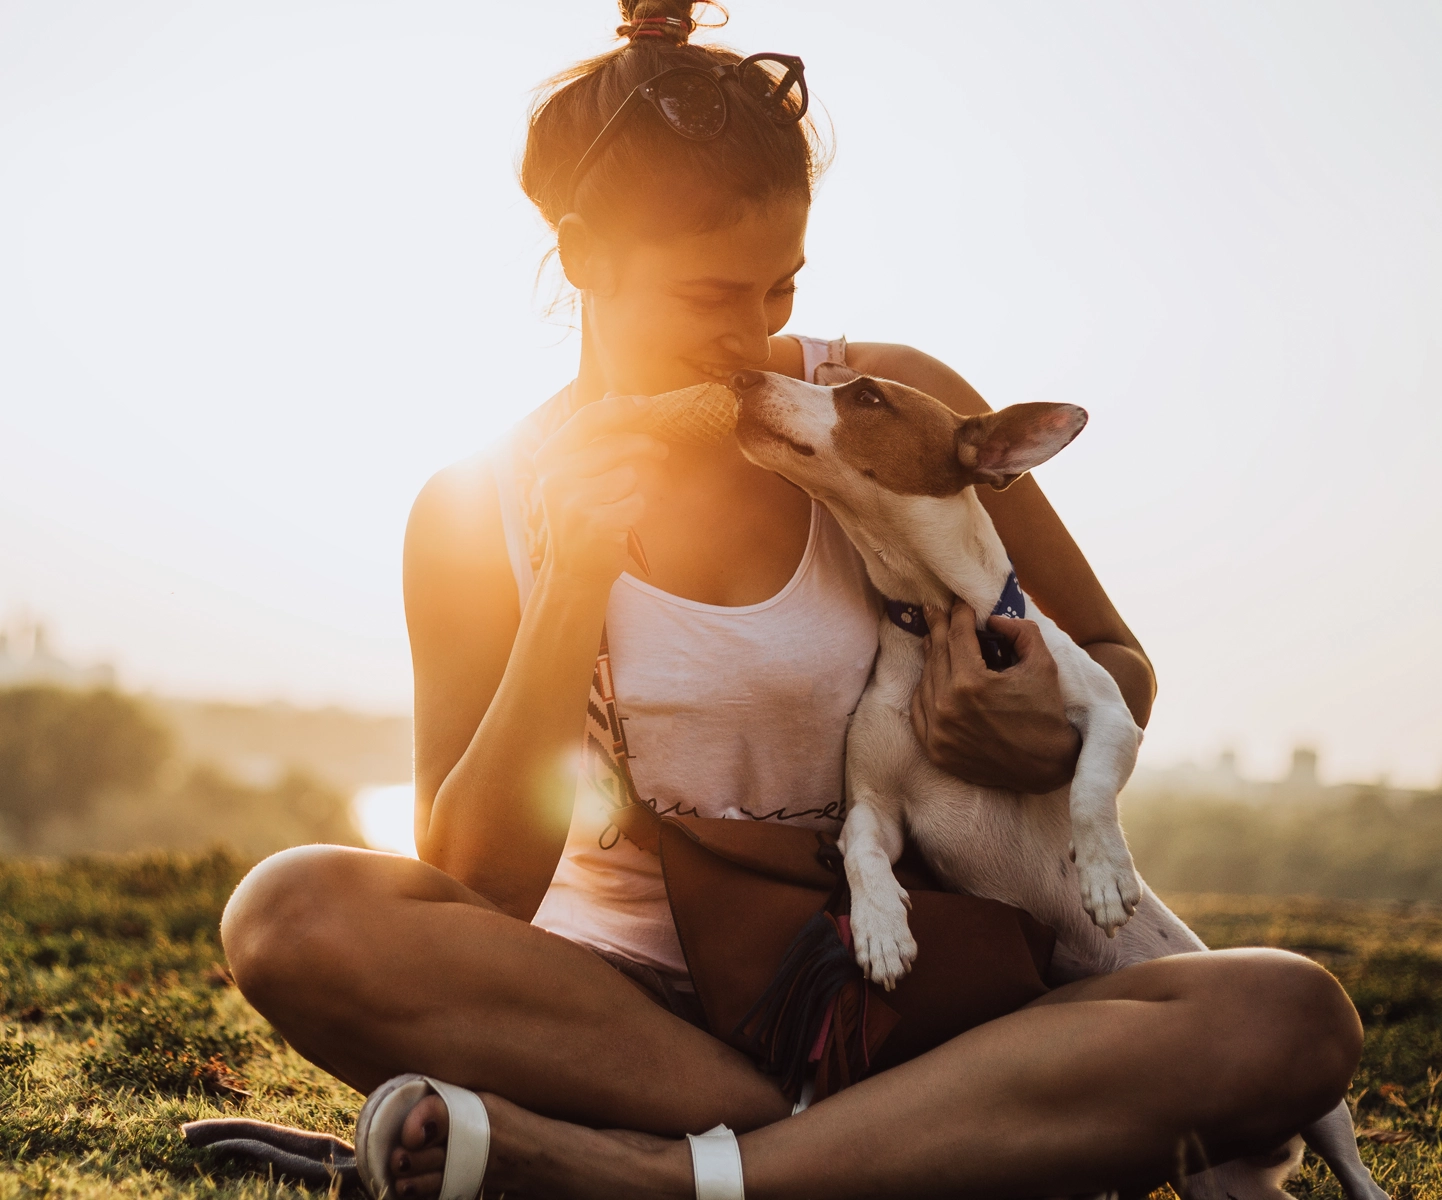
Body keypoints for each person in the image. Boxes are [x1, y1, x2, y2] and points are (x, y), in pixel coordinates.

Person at [219, 3, 1362, 1196]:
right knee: (290, 913)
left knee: (1285, 1015)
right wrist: (571, 589)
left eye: (781, 286)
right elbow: (480, 884)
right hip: (634, 1026)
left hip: (916, 989)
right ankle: (853, 1153)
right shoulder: (474, 505)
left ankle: (658, 1177)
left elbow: (1116, 659)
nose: (754, 335)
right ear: (582, 258)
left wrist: (1045, 726)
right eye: (711, 294)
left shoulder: (886, 408)